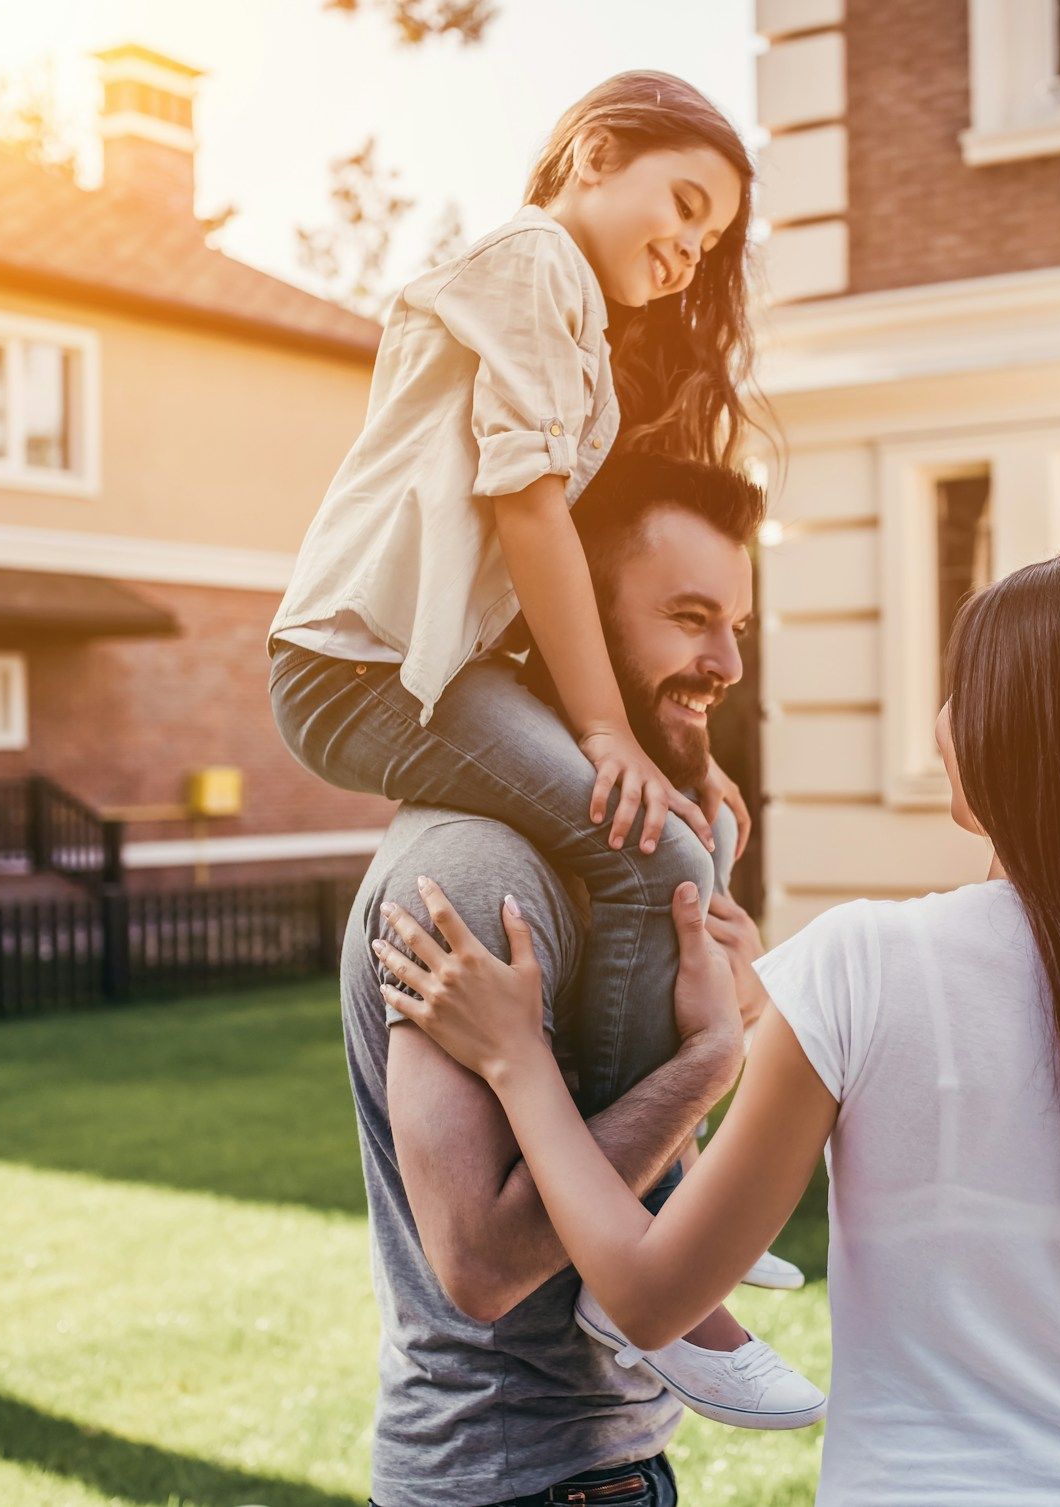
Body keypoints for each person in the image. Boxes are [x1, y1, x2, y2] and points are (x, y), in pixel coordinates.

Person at [382, 550, 1060, 1506]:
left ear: (1014, 735)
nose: (944, 719)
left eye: (961, 690)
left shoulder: (864, 965)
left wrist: (520, 1060)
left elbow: (648, 1295)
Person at [269, 68, 765, 1160]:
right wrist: (605, 733)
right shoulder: (534, 260)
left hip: (437, 668)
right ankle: (625, 1203)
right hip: (359, 667)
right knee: (653, 862)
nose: (691, 253)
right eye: (685, 206)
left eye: (711, 240)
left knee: (688, 831)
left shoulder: (578, 323)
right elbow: (527, 507)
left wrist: (683, 758)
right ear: (595, 155)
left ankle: (649, 1190)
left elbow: (554, 577)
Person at [322, 455, 824, 1507]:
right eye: (691, 618)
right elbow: (482, 1261)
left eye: (738, 625)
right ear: (574, 624)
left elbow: (617, 1148)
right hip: (511, 1477)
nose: (727, 660)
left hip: (604, 1463)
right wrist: (707, 1063)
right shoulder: (473, 873)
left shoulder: (626, 854)